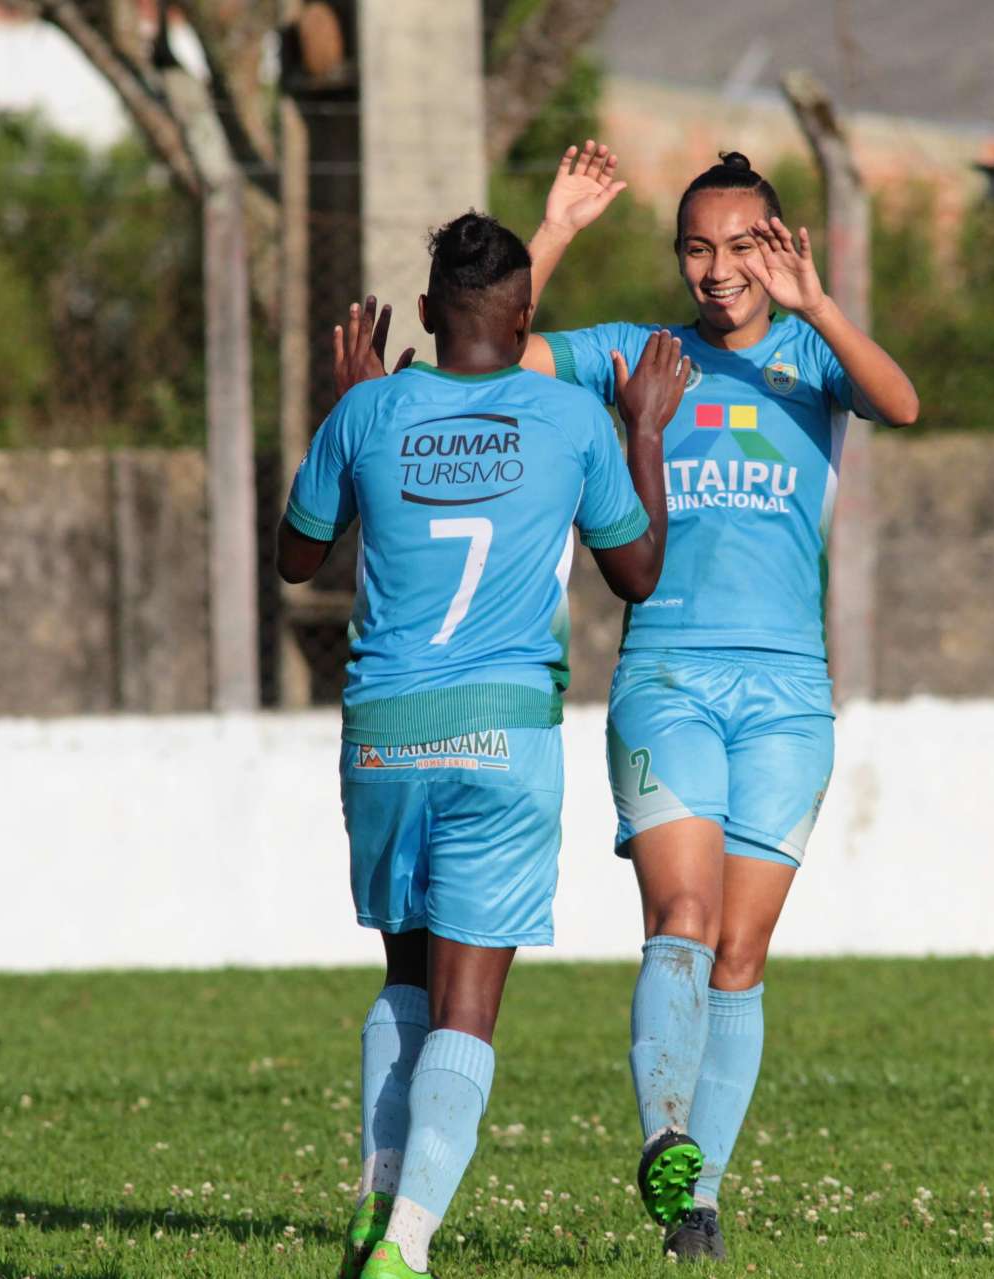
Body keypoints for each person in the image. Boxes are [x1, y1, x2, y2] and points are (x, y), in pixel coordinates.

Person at [519, 144, 921, 1261]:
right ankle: (665, 1137)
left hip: (792, 697)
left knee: (741, 954)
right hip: (667, 678)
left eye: (742, 244)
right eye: (697, 246)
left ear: (781, 246)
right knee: (682, 920)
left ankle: (696, 1205)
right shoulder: (639, 357)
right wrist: (556, 229)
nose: (717, 267)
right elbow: (496, 348)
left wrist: (821, 303)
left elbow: (902, 400)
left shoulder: (813, 357)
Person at [277, 210, 689, 1279]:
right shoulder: (570, 417)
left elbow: (294, 555)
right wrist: (643, 426)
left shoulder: (370, 411)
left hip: (384, 734)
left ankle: (376, 1203)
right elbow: (636, 573)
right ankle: (404, 1247)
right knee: (468, 1006)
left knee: (405, 978)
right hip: (503, 738)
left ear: (425, 313)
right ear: (526, 315)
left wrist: (352, 414)